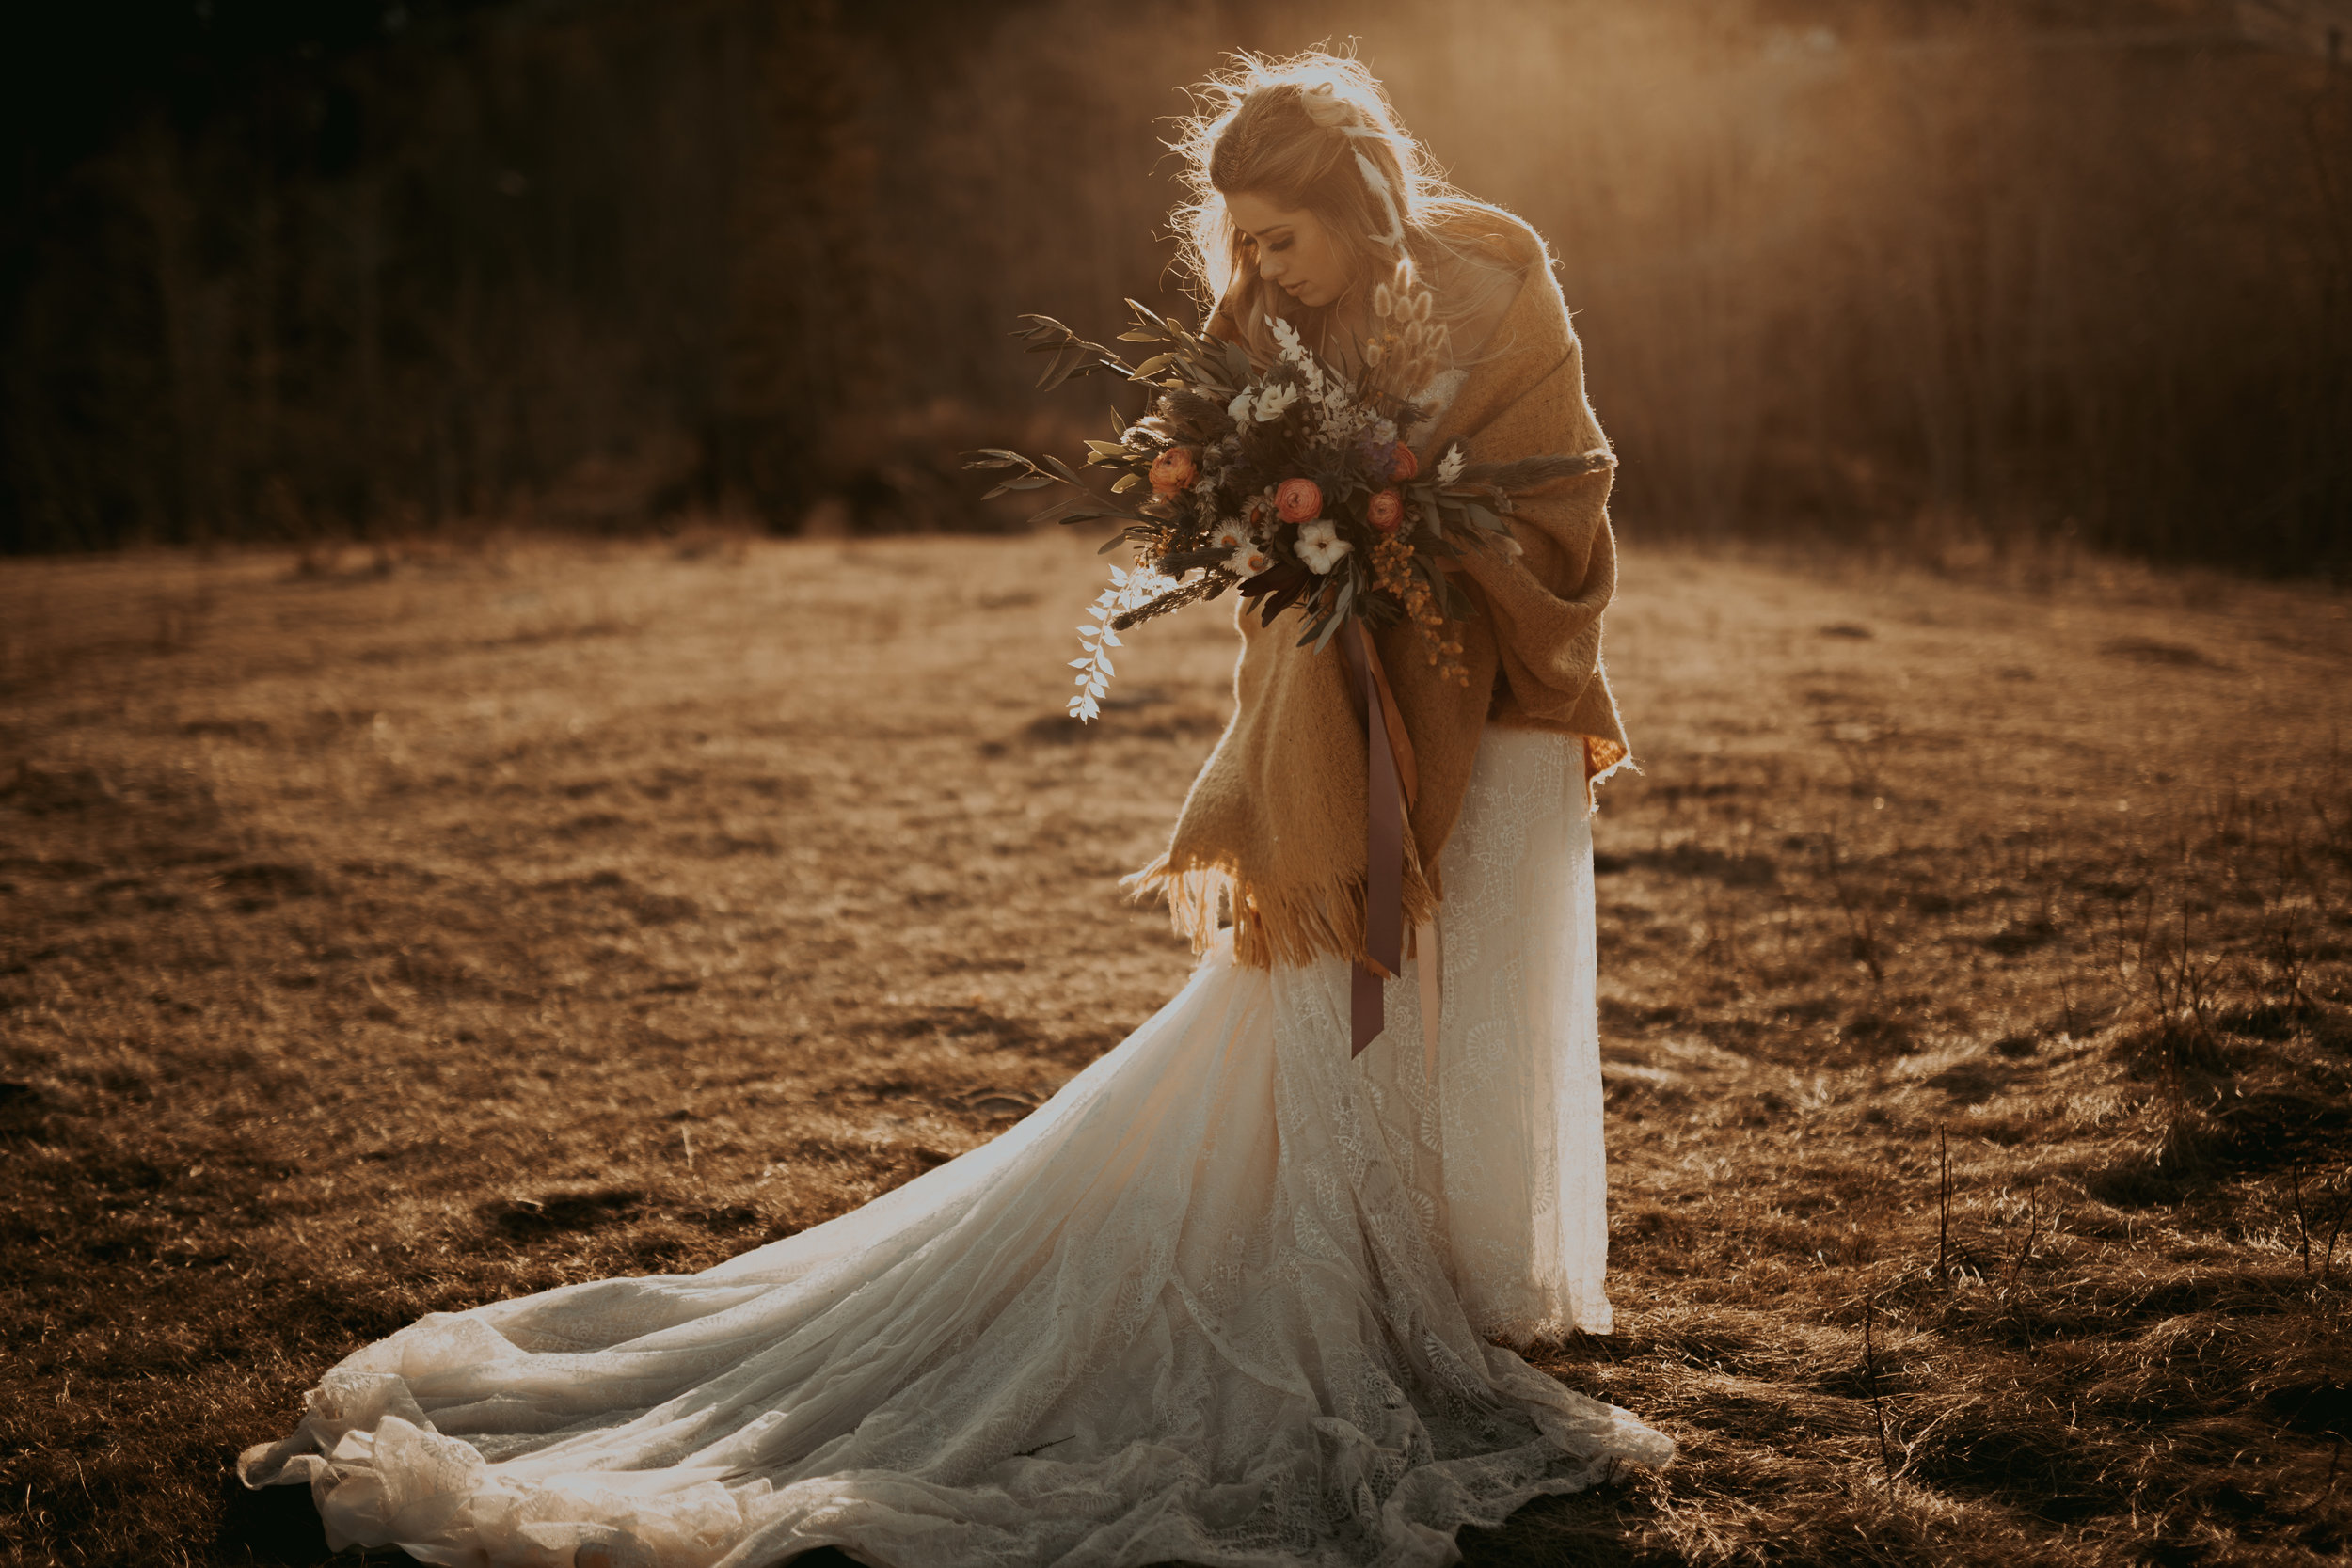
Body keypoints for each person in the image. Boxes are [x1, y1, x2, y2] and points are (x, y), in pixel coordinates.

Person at [238, 51, 1670, 1568]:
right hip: (1342, 717)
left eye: (1280, 235)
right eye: (1240, 238)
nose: (1256, 267)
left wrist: (1415, 532)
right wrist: (1316, 529)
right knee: (1330, 1004)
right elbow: (1256, 496)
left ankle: (1428, 1270)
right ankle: (1348, 1271)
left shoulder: (1495, 274)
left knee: (1472, 991)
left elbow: (1564, 481)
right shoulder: (1262, 333)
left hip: (1486, 707)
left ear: (1365, 201)